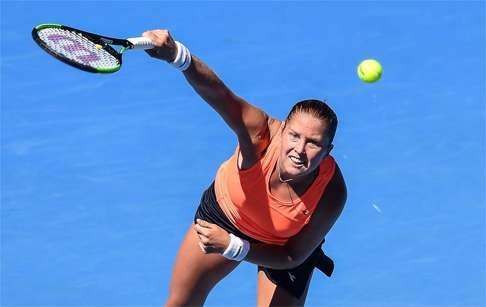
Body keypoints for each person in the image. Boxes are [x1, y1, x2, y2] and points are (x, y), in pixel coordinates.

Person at [142, 29, 347, 306]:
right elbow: (219, 94)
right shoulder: (259, 135)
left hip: (284, 244)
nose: (299, 150)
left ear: (328, 152)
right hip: (227, 216)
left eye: (313, 143)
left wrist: (233, 247)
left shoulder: (331, 192)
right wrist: (177, 55)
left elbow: (292, 256)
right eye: (295, 136)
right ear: (283, 130)